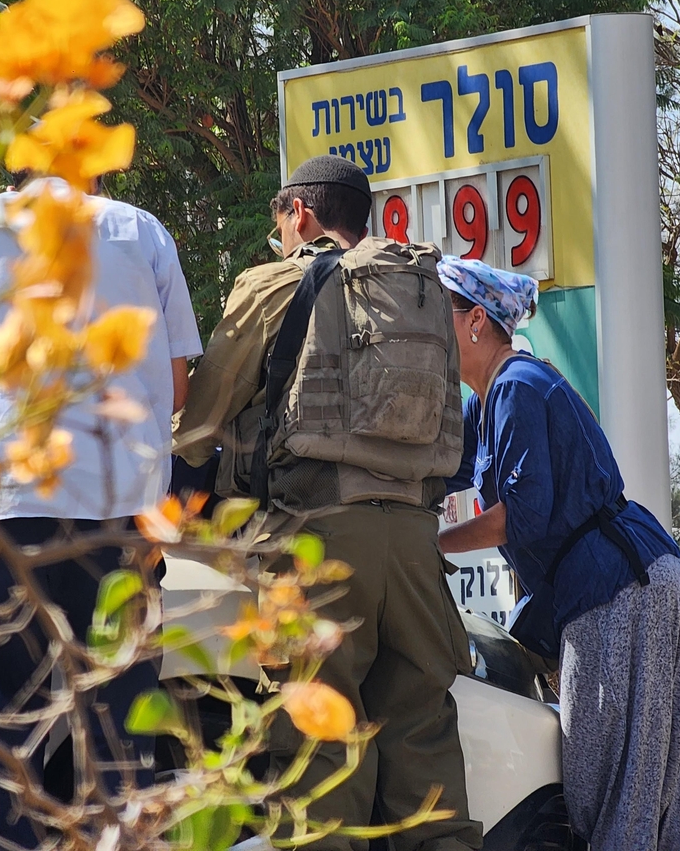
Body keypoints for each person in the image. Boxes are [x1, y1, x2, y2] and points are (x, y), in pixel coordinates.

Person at [173, 155, 481, 851]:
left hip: (319, 543)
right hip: (414, 547)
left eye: (279, 221)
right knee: (424, 749)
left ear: (301, 215)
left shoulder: (276, 283)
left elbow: (196, 427)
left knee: (321, 752)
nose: (277, 236)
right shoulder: (423, 290)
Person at [0, 176, 202, 850]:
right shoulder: (142, 229)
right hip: (116, 525)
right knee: (121, 756)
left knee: (7, 753)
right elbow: (178, 383)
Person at [435, 257, 680, 851]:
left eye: (437, 313)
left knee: (608, 788)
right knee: (642, 788)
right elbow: (436, 474)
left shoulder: (517, 386)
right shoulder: (486, 401)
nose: (429, 329)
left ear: (476, 320)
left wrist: (435, 546)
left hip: (621, 589)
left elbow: (525, 514)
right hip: (633, 582)